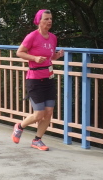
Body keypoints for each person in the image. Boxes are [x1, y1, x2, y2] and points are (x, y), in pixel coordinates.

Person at [11, 9, 65, 151]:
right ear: (38, 21)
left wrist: (57, 55)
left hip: (49, 78)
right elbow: (19, 52)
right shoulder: (32, 36)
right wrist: (34, 58)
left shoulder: (53, 38)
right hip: (34, 79)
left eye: (50, 19)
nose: (49, 21)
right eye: (46, 19)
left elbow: (50, 57)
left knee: (49, 112)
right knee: (39, 114)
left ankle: (37, 140)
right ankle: (19, 126)